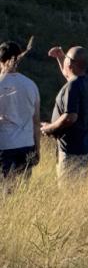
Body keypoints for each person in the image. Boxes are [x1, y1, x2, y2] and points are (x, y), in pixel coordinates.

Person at [40, 46, 88, 182]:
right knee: (78, 191)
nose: (65, 60)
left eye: (66, 58)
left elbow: (70, 117)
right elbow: (68, 74)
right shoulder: (86, 81)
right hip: (83, 146)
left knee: (69, 193)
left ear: (70, 63)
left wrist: (49, 128)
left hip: (71, 150)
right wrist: (60, 57)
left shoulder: (73, 86)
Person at [0, 41, 40, 187]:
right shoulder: (31, 85)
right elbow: (36, 121)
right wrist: (37, 149)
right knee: (24, 191)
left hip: (5, 146)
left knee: (6, 191)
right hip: (26, 145)